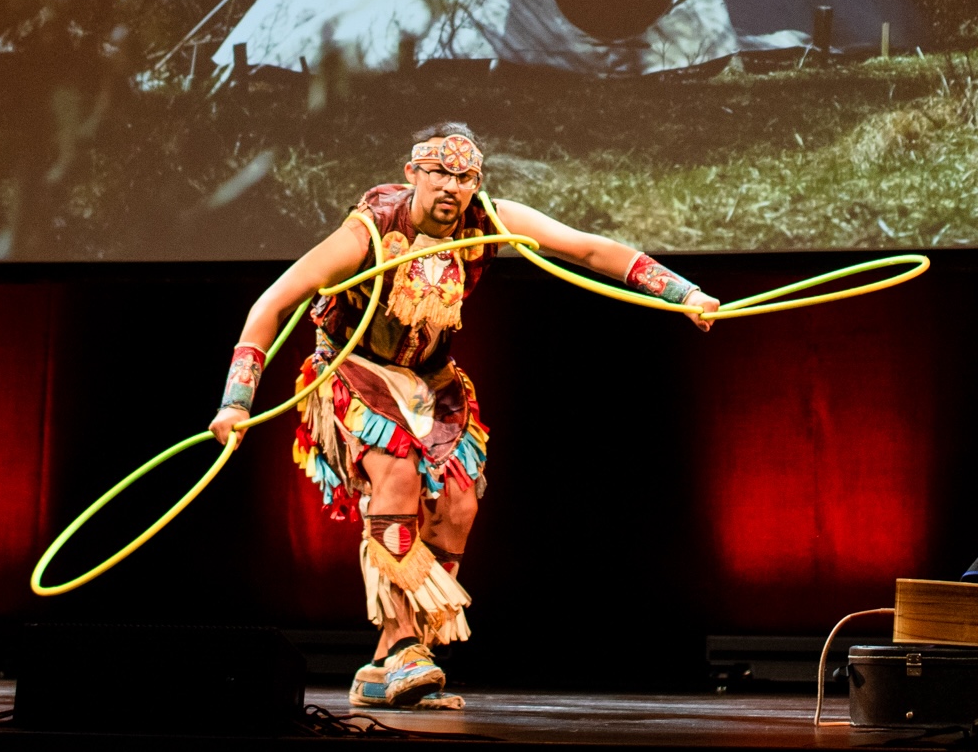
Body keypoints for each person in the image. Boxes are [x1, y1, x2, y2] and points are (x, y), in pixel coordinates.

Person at [206, 122, 716, 710]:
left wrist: (685, 294)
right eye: (438, 174)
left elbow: (588, 248)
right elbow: (272, 302)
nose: (451, 187)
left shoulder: (488, 220)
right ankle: (402, 646)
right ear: (412, 173)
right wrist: (235, 402)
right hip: (355, 369)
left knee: (458, 504)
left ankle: (391, 660)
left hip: (431, 378)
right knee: (396, 476)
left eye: (465, 177)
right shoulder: (370, 229)